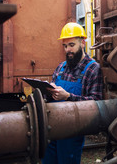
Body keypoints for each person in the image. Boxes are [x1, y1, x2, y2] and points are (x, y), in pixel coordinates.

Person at [42, 22, 103, 164]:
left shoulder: (93, 69)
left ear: (82, 43)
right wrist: (47, 91)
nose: (67, 50)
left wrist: (68, 97)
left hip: (72, 132)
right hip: (52, 129)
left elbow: (96, 104)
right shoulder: (61, 67)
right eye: (65, 46)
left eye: (71, 45)